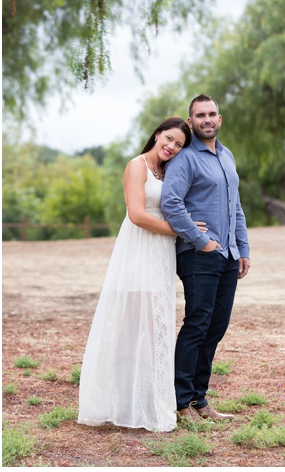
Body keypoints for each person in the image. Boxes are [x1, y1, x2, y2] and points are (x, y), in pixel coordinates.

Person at [78, 116, 203, 432]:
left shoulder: (168, 170)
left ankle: (148, 402)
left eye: (179, 144)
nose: (172, 147)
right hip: (139, 249)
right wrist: (182, 230)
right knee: (134, 327)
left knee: (155, 326)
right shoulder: (137, 166)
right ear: (157, 134)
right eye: (169, 139)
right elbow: (136, 214)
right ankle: (122, 402)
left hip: (161, 252)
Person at [161, 94, 251, 423]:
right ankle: (182, 403)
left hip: (228, 255)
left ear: (220, 119)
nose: (207, 119)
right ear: (191, 122)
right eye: (200, 115)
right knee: (197, 326)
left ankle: (200, 400)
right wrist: (202, 242)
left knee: (216, 327)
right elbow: (171, 204)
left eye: (212, 113)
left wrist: (242, 249)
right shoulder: (184, 159)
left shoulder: (227, 156)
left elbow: (235, 208)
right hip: (199, 255)